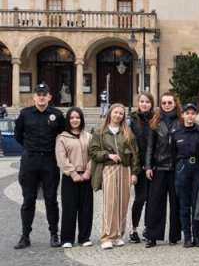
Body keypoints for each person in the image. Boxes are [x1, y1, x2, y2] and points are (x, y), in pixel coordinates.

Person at [14, 82, 65, 249]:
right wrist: (31, 149)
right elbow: (18, 135)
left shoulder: (57, 115)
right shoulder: (25, 114)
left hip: (50, 161)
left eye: (45, 94)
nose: (42, 97)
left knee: (51, 199)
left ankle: (54, 235)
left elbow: (63, 136)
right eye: (39, 94)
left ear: (50, 97)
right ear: (34, 96)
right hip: (30, 161)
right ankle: (25, 236)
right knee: (28, 200)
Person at [89, 103, 140, 249]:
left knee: (123, 203)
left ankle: (118, 235)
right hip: (109, 169)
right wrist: (108, 155)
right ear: (110, 113)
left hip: (125, 169)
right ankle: (106, 237)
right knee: (110, 203)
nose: (118, 115)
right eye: (115, 112)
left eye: (121, 113)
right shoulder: (100, 132)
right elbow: (93, 152)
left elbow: (135, 154)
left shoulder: (127, 133)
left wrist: (135, 172)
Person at [144, 92, 182, 248]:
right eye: (164, 102)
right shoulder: (156, 121)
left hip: (176, 167)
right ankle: (152, 236)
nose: (167, 105)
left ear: (175, 103)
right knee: (155, 203)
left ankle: (174, 236)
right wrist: (148, 166)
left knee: (176, 202)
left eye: (169, 102)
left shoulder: (181, 121)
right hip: (159, 167)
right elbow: (150, 146)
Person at [55, 107, 93, 248]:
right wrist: (73, 173)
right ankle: (67, 238)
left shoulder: (88, 136)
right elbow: (61, 158)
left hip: (86, 176)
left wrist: (88, 171)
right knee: (69, 208)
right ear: (68, 120)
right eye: (72, 118)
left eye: (77, 117)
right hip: (70, 177)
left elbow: (92, 156)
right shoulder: (62, 138)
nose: (75, 120)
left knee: (86, 208)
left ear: (81, 119)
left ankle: (84, 237)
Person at [172, 103, 199, 248]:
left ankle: (197, 235)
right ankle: (187, 236)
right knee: (184, 205)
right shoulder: (176, 133)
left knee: (197, 204)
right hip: (182, 168)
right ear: (183, 115)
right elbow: (173, 155)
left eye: (193, 113)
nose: (190, 116)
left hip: (197, 168)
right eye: (187, 113)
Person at [127, 92, 154, 243]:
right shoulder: (131, 120)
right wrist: (134, 169)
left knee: (151, 199)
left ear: (151, 104)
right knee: (140, 198)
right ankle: (134, 229)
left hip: (152, 164)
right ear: (138, 103)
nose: (144, 104)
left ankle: (148, 228)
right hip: (138, 163)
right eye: (142, 101)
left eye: (147, 102)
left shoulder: (156, 118)